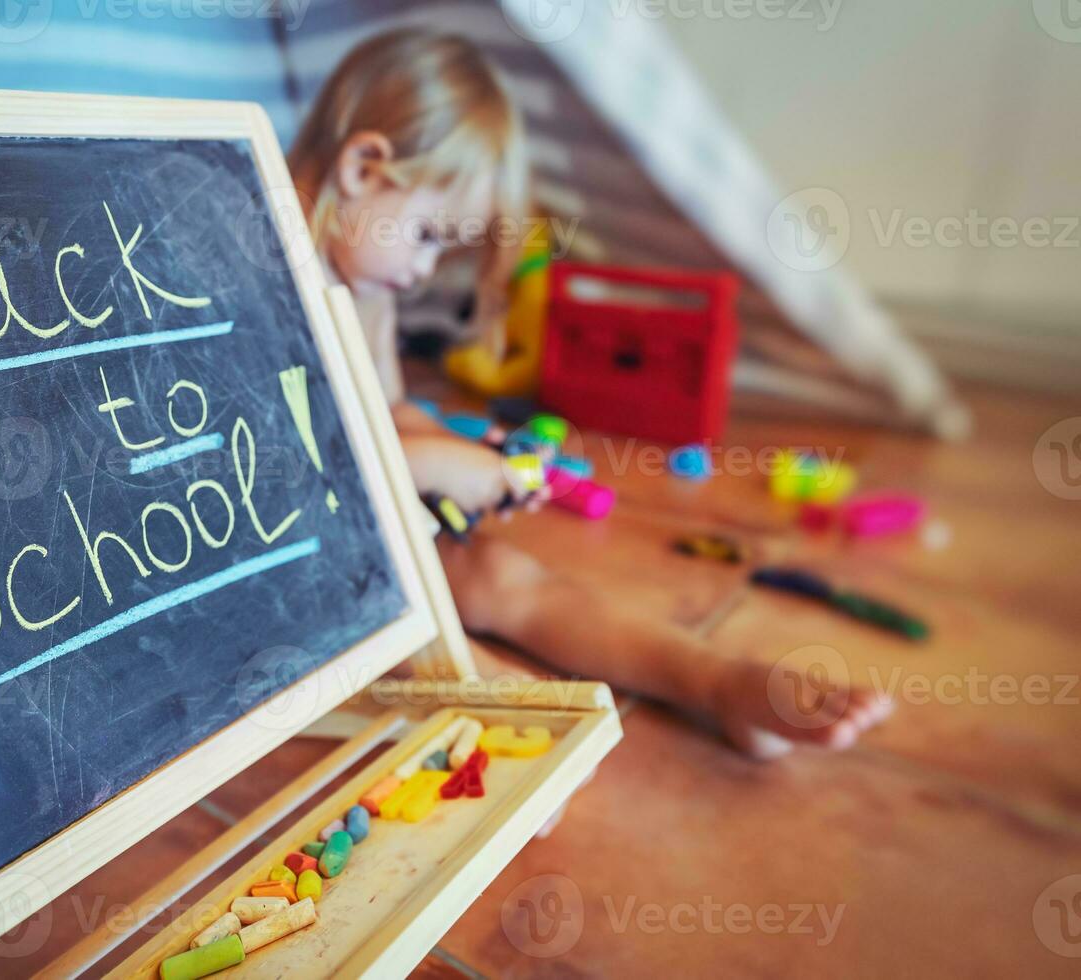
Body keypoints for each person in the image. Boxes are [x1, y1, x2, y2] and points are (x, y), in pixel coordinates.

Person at [289, 28, 892, 759]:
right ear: (362, 167)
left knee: (504, 576)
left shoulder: (365, 281)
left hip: (374, 535)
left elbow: (384, 415)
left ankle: (711, 679)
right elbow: (290, 474)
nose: (422, 272)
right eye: (426, 235)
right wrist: (438, 467)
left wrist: (468, 453)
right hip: (293, 570)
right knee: (399, 623)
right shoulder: (266, 266)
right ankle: (500, 722)